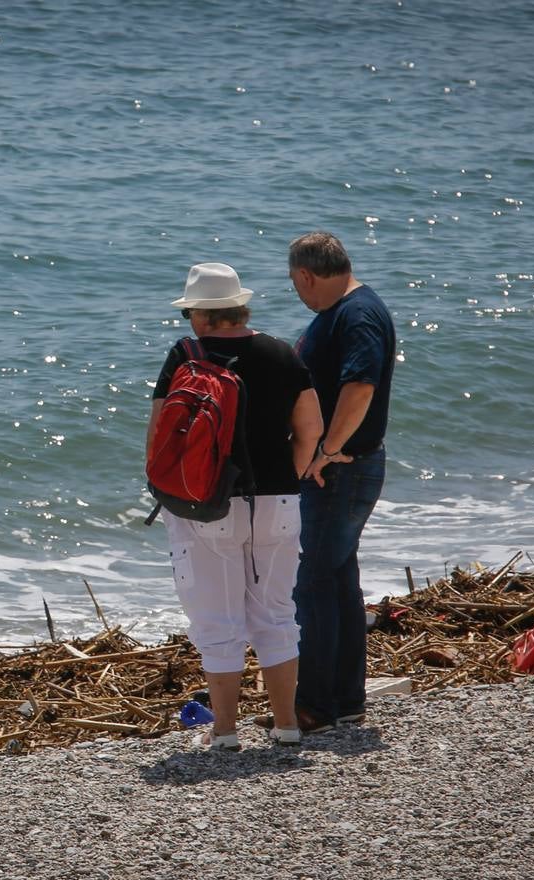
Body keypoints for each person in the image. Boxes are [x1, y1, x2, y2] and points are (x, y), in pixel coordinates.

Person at [147, 262, 322, 750]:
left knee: (217, 620)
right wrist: (291, 476)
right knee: (275, 614)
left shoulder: (188, 354)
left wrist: (167, 489)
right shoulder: (283, 353)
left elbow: (160, 432)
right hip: (278, 501)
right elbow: (310, 430)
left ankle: (225, 732)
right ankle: (286, 725)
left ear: (203, 316)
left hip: (207, 505)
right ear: (239, 307)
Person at [281, 231, 396, 734]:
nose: (297, 293)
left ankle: (315, 705)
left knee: (314, 584)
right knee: (339, 580)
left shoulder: (357, 313)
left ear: (306, 274)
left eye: (294, 283)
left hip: (342, 468)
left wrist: (326, 450)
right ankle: (346, 700)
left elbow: (361, 384)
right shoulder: (350, 310)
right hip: (345, 465)